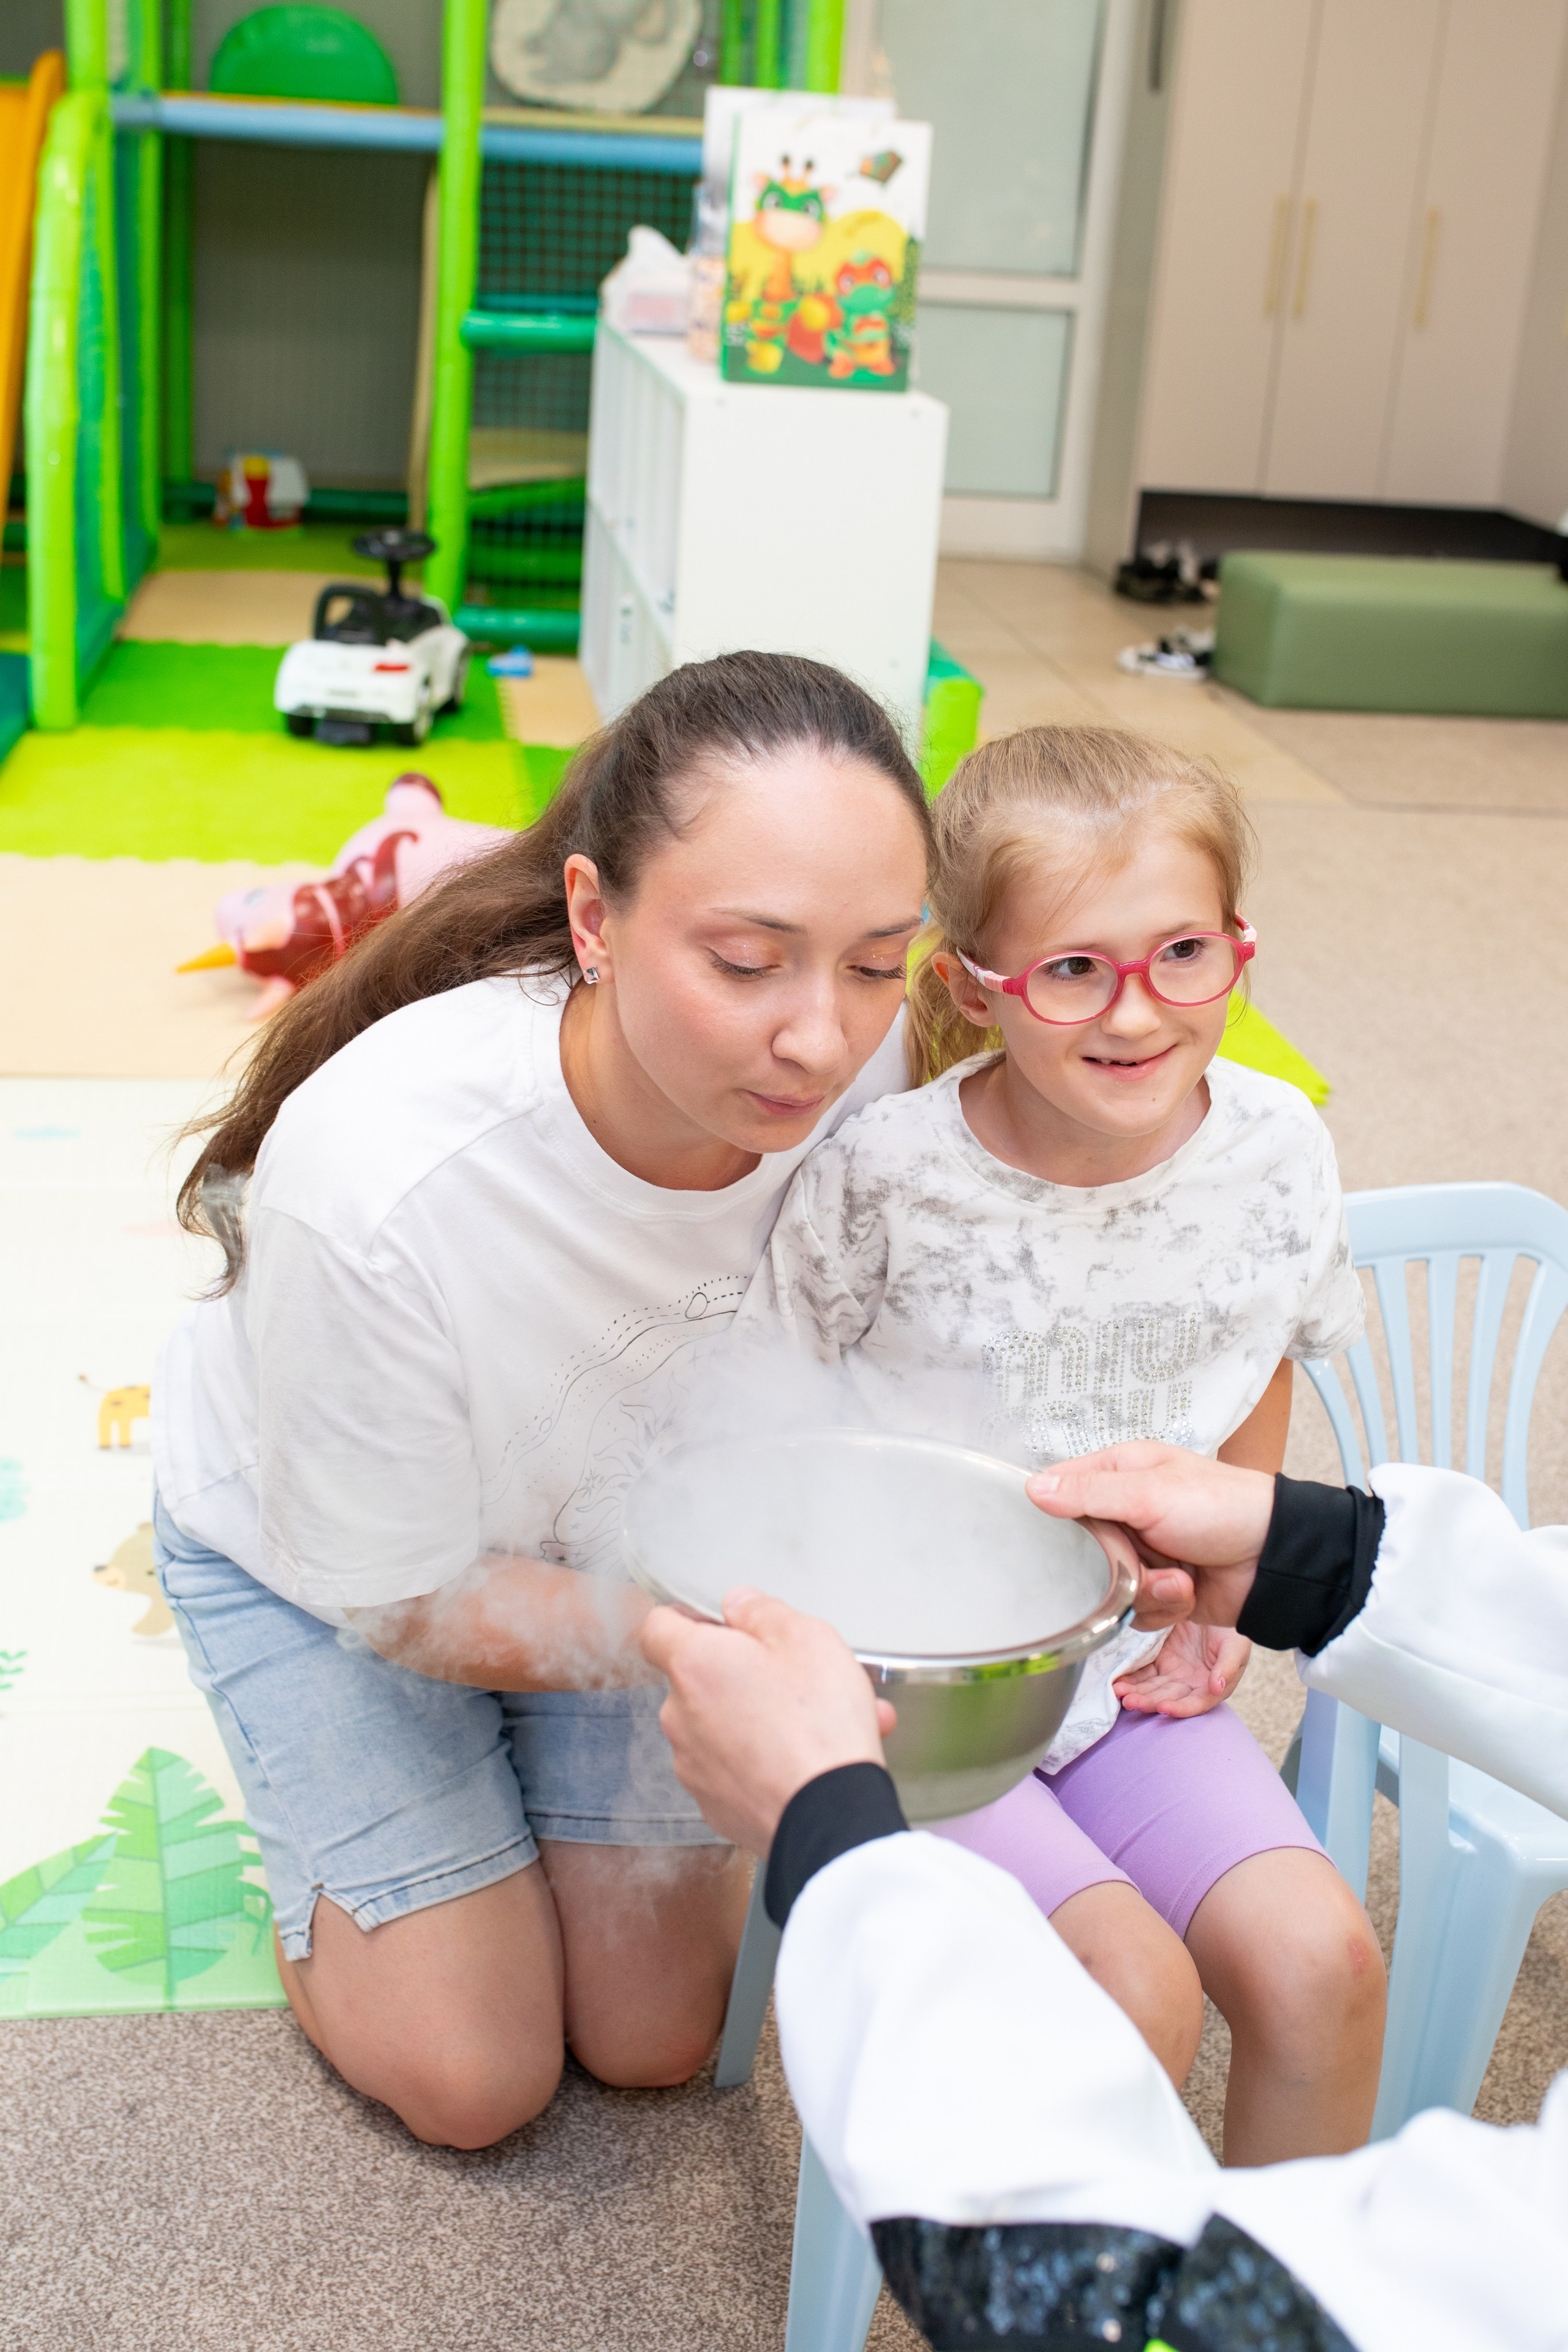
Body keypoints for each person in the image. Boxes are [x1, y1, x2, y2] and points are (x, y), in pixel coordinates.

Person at [151, 651, 932, 2149]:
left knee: (656, 2036)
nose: (820, 1040)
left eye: (875, 958)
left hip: (612, 1538)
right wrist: (678, 1642)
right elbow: (393, 1592)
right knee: (475, 2075)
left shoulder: (872, 1072)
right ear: (593, 918)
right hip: (340, 1569)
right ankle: (328, 1864)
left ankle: (490, 1797)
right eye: (746, 960)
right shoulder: (378, 1178)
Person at [737, 725, 1381, 2158]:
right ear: (977, 982)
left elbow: (1259, 1343)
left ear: (1236, 944)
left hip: (1130, 1682)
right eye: (1074, 968)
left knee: (1320, 1964)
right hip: (921, 1709)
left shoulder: (1276, 1149)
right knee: (1126, 1993)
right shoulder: (887, 1176)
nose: (1138, 1014)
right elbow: (764, 1437)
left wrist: (1233, 1584)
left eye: (1183, 954)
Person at [643, 1443, 1568, 2352]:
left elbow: (1106, 2286)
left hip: (1046, 1710)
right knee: (1136, 1978)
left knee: (1317, 1966)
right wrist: (1318, 1553)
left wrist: (832, 1833)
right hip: (947, 1641)